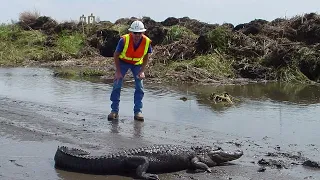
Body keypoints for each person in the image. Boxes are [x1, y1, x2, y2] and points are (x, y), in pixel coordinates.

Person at [108, 20, 152, 121]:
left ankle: (138, 112)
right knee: (117, 84)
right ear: (131, 32)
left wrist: (142, 71)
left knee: (140, 87)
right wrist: (118, 71)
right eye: (135, 33)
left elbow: (146, 57)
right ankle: (114, 111)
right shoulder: (124, 40)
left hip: (137, 64)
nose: (137, 35)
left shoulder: (146, 42)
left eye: (139, 33)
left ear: (143, 33)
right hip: (123, 62)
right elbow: (116, 55)